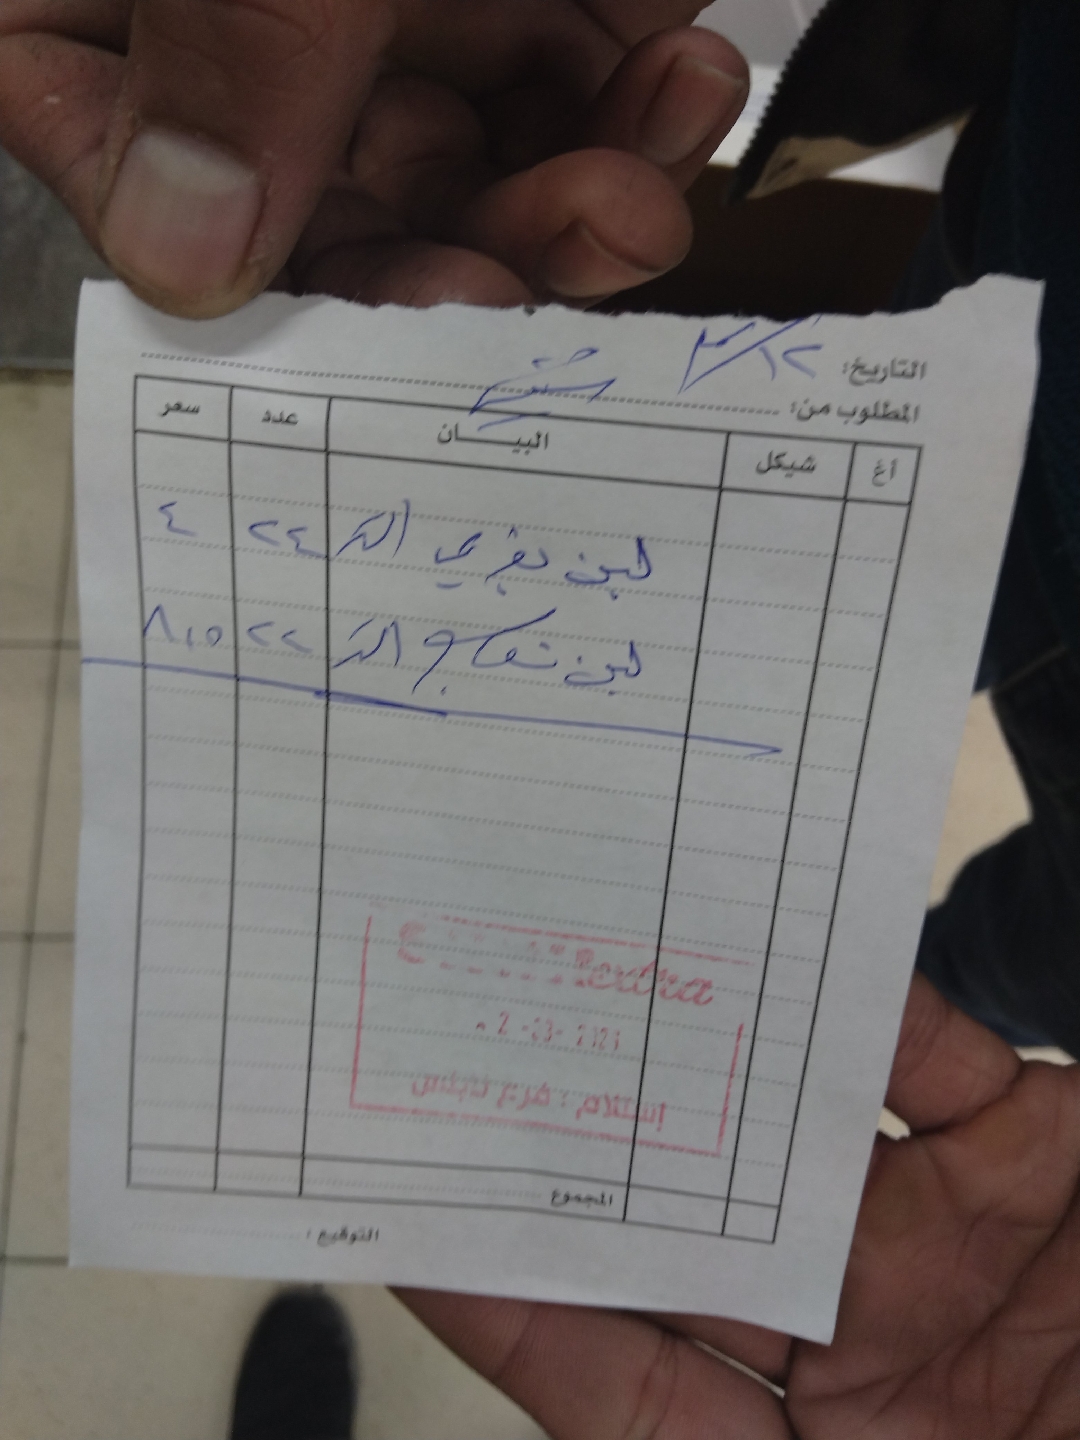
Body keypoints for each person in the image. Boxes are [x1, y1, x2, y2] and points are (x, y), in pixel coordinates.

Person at [4, 1, 1079, 1431]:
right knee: (916, 665)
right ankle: (882, 981)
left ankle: (895, 986)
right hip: (1038, 252)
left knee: (1027, 944)